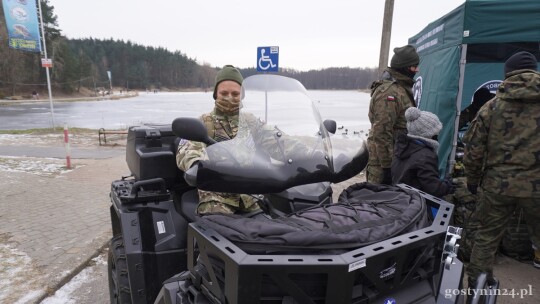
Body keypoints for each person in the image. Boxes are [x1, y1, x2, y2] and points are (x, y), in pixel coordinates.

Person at [463, 51, 540, 289]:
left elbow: (473, 149)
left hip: (498, 186)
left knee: (485, 240)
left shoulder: (491, 107)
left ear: (507, 74)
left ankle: (478, 288)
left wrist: (473, 180)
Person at [176, 65, 261, 215]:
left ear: (242, 95)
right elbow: (188, 149)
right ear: (216, 94)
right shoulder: (203, 122)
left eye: (235, 93)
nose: (230, 97)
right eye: (224, 93)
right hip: (217, 196)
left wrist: (308, 154)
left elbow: (277, 140)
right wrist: (197, 165)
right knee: (220, 231)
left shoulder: (251, 121)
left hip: (251, 194)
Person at [367, 45, 419, 184]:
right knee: (378, 202)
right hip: (383, 165)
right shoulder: (390, 93)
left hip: (396, 159)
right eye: (414, 67)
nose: (417, 70)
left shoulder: (400, 88)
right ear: (404, 67)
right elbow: (381, 132)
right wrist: (387, 168)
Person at [391, 107, 454, 197]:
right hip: (415, 202)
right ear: (429, 133)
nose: (438, 134)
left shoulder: (403, 146)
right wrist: (447, 185)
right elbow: (434, 189)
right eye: (436, 131)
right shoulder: (425, 156)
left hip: (399, 196)